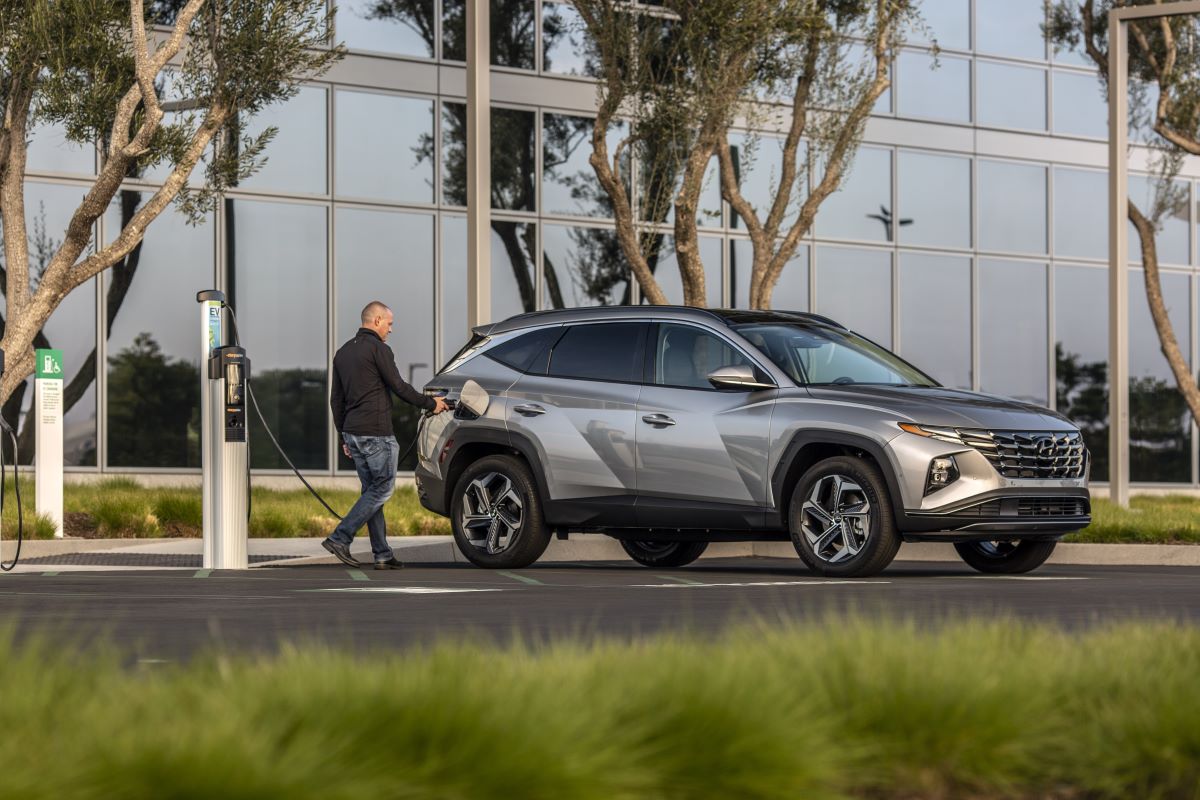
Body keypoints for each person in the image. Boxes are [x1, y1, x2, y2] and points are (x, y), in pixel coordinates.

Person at [323, 301, 449, 569]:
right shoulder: (379, 349)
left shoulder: (342, 353)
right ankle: (340, 537)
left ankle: (382, 554)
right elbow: (399, 386)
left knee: (372, 492)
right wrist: (431, 404)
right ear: (377, 320)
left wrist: (343, 435)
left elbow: (336, 400)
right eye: (389, 324)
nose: (391, 330)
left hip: (354, 433)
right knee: (383, 489)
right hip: (376, 433)